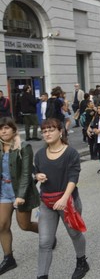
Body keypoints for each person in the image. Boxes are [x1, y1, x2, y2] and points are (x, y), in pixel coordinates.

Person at [34, 118, 89, 279]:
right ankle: (42, 275)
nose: (47, 133)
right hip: (46, 202)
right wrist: (38, 176)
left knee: (74, 234)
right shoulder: (39, 155)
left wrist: (65, 198)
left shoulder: (70, 153)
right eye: (44, 131)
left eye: (51, 130)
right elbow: (35, 172)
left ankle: (82, 261)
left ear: (60, 131)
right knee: (44, 241)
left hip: (68, 202)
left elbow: (73, 177)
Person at [0, 118, 39, 275]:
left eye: (7, 128)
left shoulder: (24, 147)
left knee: (25, 225)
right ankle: (9, 258)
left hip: (20, 192)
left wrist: (21, 195)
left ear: (14, 130)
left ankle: (46, 233)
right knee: (2, 225)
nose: (3, 131)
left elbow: (25, 175)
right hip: (4, 191)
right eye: (1, 128)